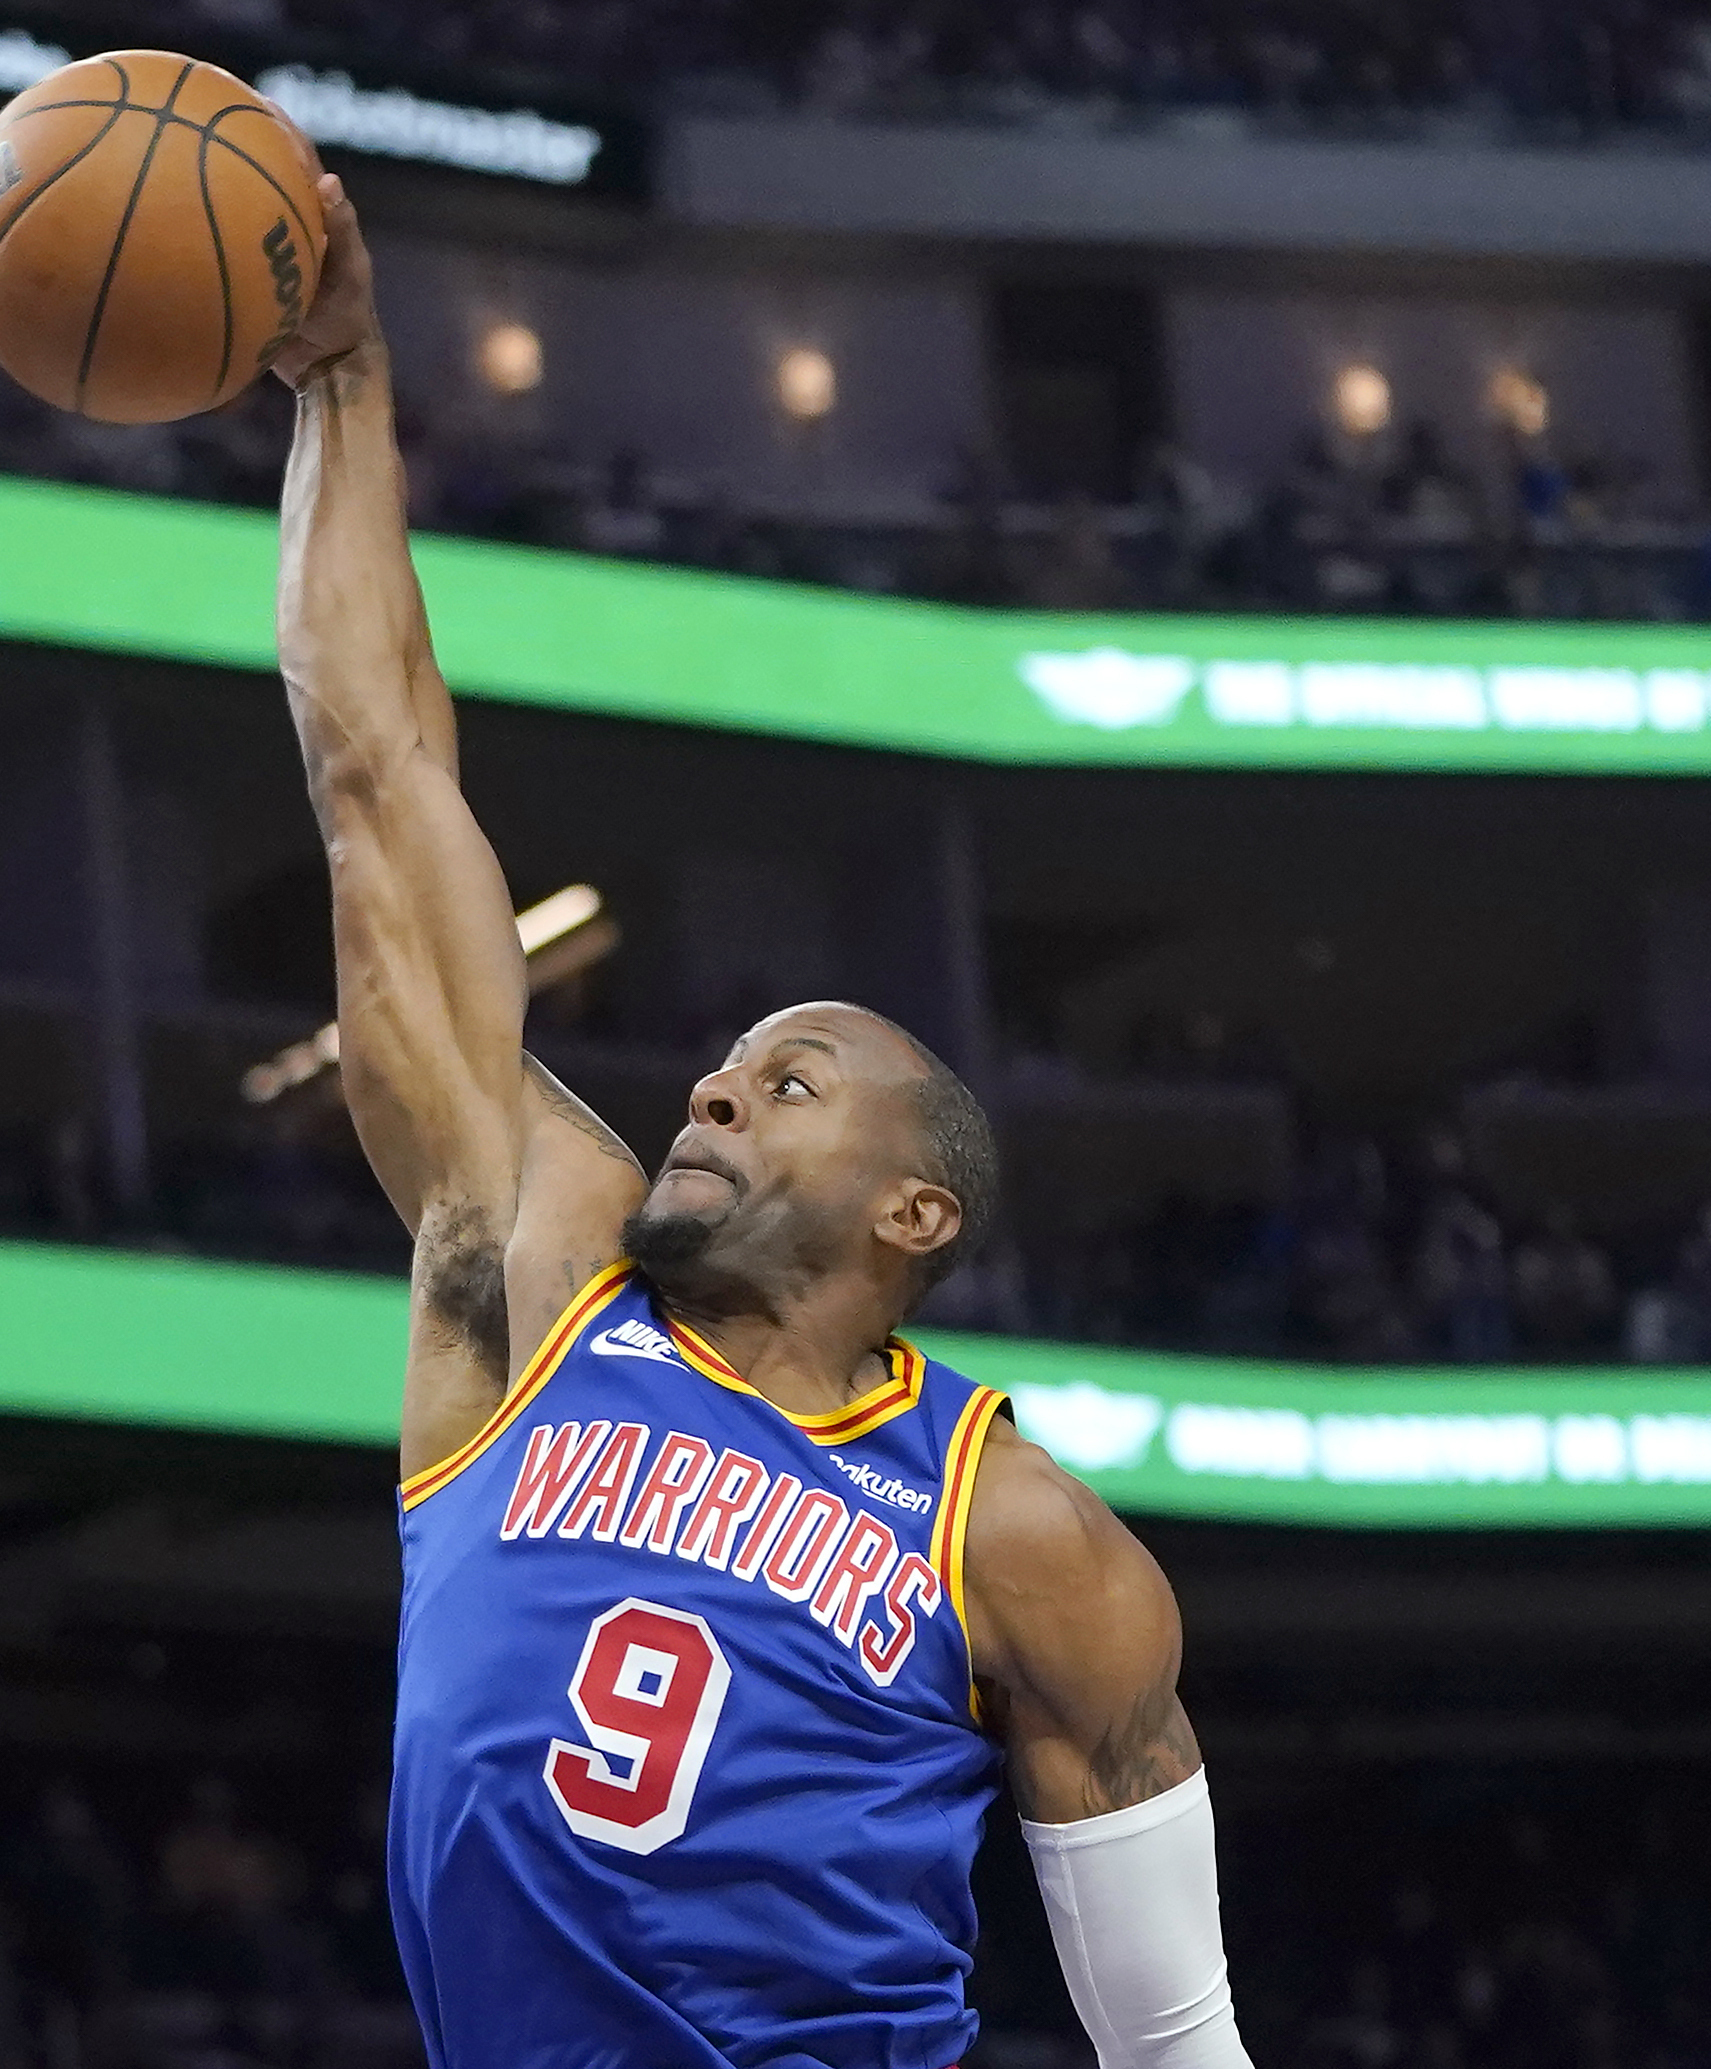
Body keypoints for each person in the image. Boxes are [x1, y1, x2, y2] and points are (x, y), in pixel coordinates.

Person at [265, 174, 1251, 2069]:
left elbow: (1175, 2033)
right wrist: (343, 385)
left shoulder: (1012, 1527)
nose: (712, 1086)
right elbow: (374, 770)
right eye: (726, 1063)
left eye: (790, 1081)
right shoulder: (539, 1268)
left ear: (914, 1212)